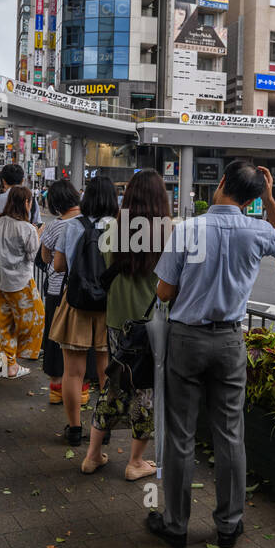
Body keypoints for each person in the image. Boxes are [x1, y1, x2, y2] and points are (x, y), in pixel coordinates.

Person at [147, 162, 275, 548]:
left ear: (222, 182)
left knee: (181, 434)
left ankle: (176, 524)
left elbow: (163, 292)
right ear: (253, 197)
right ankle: (229, 524)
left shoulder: (190, 229)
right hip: (230, 341)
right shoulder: (259, 230)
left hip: (186, 340)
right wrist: (271, 199)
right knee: (230, 434)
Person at [81, 169, 167, 480]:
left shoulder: (112, 230)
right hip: (149, 326)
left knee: (115, 385)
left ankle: (92, 456)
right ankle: (135, 462)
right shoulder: (166, 234)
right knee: (144, 391)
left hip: (116, 320)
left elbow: (106, 267)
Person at [50, 177, 119, 446]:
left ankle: (75, 429)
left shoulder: (72, 226)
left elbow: (58, 266)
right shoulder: (119, 228)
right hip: (108, 305)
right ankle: (104, 428)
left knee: (74, 372)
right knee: (106, 371)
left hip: (76, 302)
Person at [38, 180, 92, 407]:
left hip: (57, 291)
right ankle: (82, 389)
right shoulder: (90, 222)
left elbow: (45, 258)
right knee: (82, 341)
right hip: (85, 292)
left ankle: (57, 388)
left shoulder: (54, 225)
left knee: (55, 338)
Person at [0, 186, 45, 378]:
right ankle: (15, 360)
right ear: (26, 203)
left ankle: (6, 363)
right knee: (34, 320)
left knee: (6, 324)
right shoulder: (27, 228)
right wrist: (38, 235)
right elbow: (31, 256)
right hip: (21, 283)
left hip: (0, 281)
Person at [0, 163, 42, 227]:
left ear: (3, 181)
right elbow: (37, 224)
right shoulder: (31, 200)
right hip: (27, 235)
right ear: (22, 181)